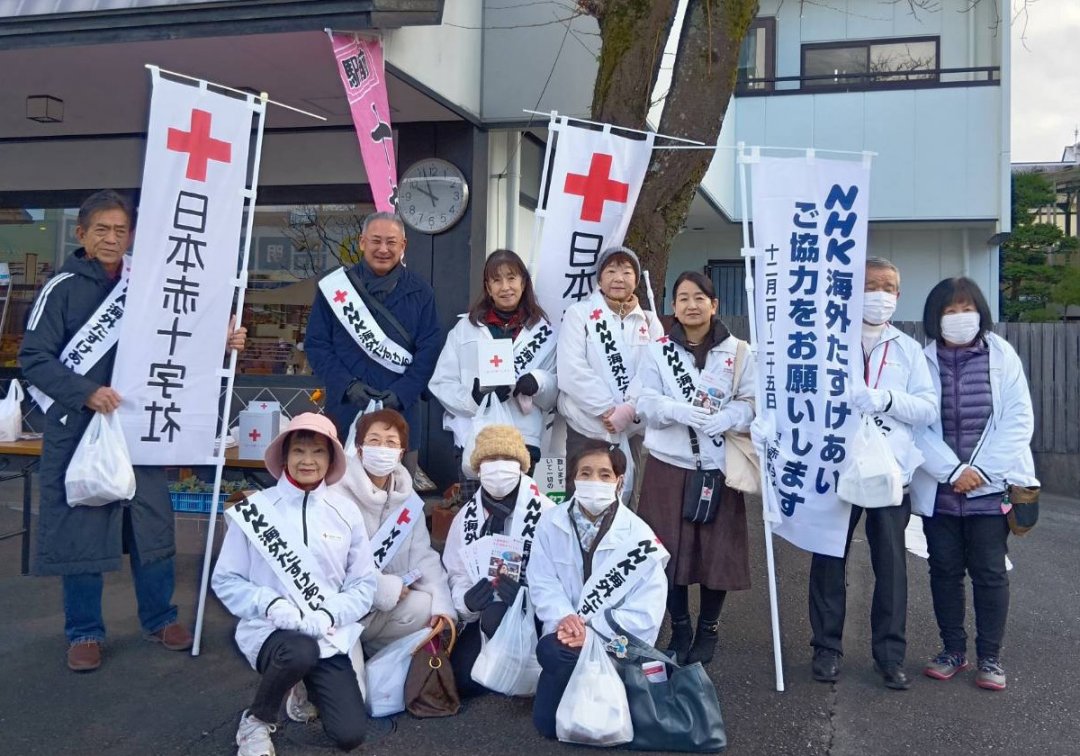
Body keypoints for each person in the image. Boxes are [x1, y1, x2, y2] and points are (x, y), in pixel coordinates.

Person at [18, 189, 247, 673]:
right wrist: (84, 391)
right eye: (101, 229)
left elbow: (177, 338)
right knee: (83, 529)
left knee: (152, 525)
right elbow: (33, 357)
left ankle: (161, 618)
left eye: (120, 230)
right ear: (82, 234)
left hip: (142, 425)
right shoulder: (61, 288)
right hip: (79, 428)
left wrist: (221, 342)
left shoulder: (147, 282)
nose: (111, 238)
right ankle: (84, 631)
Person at [807, 257, 938, 690]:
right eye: (870, 286)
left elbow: (928, 408)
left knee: (892, 567)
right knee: (828, 560)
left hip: (890, 474)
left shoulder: (909, 349)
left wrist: (884, 399)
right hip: (835, 470)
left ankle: (890, 656)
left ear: (898, 296)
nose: (879, 295)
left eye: (887, 287)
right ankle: (826, 648)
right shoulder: (827, 341)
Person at [212, 413, 377, 755]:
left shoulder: (346, 512)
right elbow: (226, 579)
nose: (307, 460)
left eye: (318, 451)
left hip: (326, 635)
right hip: (270, 631)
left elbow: (363, 585)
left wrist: (329, 614)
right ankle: (256, 722)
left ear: (331, 459)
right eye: (299, 450)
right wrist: (270, 603)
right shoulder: (257, 510)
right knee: (299, 652)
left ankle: (301, 688)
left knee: (350, 734)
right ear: (284, 456)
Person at [911, 277, 1035, 691]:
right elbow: (915, 425)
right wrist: (951, 472)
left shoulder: (1002, 356)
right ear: (936, 317)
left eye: (967, 310)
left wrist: (979, 472)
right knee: (944, 571)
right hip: (941, 490)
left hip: (990, 490)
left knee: (990, 572)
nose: (960, 318)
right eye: (951, 311)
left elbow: (1018, 420)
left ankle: (990, 657)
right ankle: (952, 650)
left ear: (981, 313)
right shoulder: (920, 361)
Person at [635, 272, 754, 665]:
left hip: (718, 467)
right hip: (669, 467)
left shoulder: (738, 351)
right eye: (683, 298)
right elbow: (644, 401)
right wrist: (676, 410)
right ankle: (681, 626)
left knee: (716, 555)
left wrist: (731, 416)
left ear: (714, 305)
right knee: (667, 552)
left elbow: (752, 402)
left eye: (699, 297)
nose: (691, 305)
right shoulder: (658, 351)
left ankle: (709, 628)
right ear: (673, 307)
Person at [527, 440, 669, 739]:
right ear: (573, 479)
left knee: (558, 662)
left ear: (619, 481)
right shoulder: (550, 522)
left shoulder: (638, 535)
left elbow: (647, 609)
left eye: (605, 475)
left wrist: (592, 634)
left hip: (612, 643)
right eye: (586, 473)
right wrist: (565, 618)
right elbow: (542, 580)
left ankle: (610, 694)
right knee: (547, 723)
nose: (594, 481)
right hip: (565, 636)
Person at [304, 211, 443, 471]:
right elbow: (317, 345)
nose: (383, 249)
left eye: (391, 242)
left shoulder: (421, 291)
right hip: (345, 409)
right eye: (376, 241)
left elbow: (430, 350)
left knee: (400, 489)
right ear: (361, 242)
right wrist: (347, 385)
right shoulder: (336, 288)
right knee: (340, 489)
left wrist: (402, 393)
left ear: (403, 245)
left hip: (401, 414)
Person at [430, 249, 557, 497]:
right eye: (497, 280)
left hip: (524, 442)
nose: (505, 287)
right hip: (475, 441)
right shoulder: (465, 328)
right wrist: (473, 398)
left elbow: (557, 390)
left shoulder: (544, 332)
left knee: (523, 515)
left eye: (511, 278)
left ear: (523, 282)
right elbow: (441, 382)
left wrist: (537, 382)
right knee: (476, 514)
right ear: (488, 287)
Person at [328, 407, 455, 654]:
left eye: (391, 443)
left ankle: (373, 658)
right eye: (374, 441)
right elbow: (334, 560)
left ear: (401, 453)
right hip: (341, 610)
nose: (382, 448)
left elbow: (423, 556)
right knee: (353, 679)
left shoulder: (407, 499)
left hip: (380, 613)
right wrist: (382, 587)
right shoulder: (336, 495)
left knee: (424, 606)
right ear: (360, 449)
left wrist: (443, 605)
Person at [441, 424, 555, 696]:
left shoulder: (547, 512)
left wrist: (527, 596)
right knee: (463, 680)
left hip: (534, 617)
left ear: (522, 466)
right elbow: (456, 572)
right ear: (479, 468)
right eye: (491, 459)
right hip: (483, 616)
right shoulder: (466, 518)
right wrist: (467, 602)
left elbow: (562, 577)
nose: (499, 466)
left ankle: (521, 669)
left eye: (507, 459)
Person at [557, 246, 663, 503]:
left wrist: (628, 410)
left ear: (636, 280)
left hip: (631, 430)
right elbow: (571, 369)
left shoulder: (649, 322)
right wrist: (607, 409)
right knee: (581, 500)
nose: (619, 278)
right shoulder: (579, 314)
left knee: (627, 502)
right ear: (600, 279)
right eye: (611, 271)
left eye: (627, 272)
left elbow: (655, 372)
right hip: (586, 427)